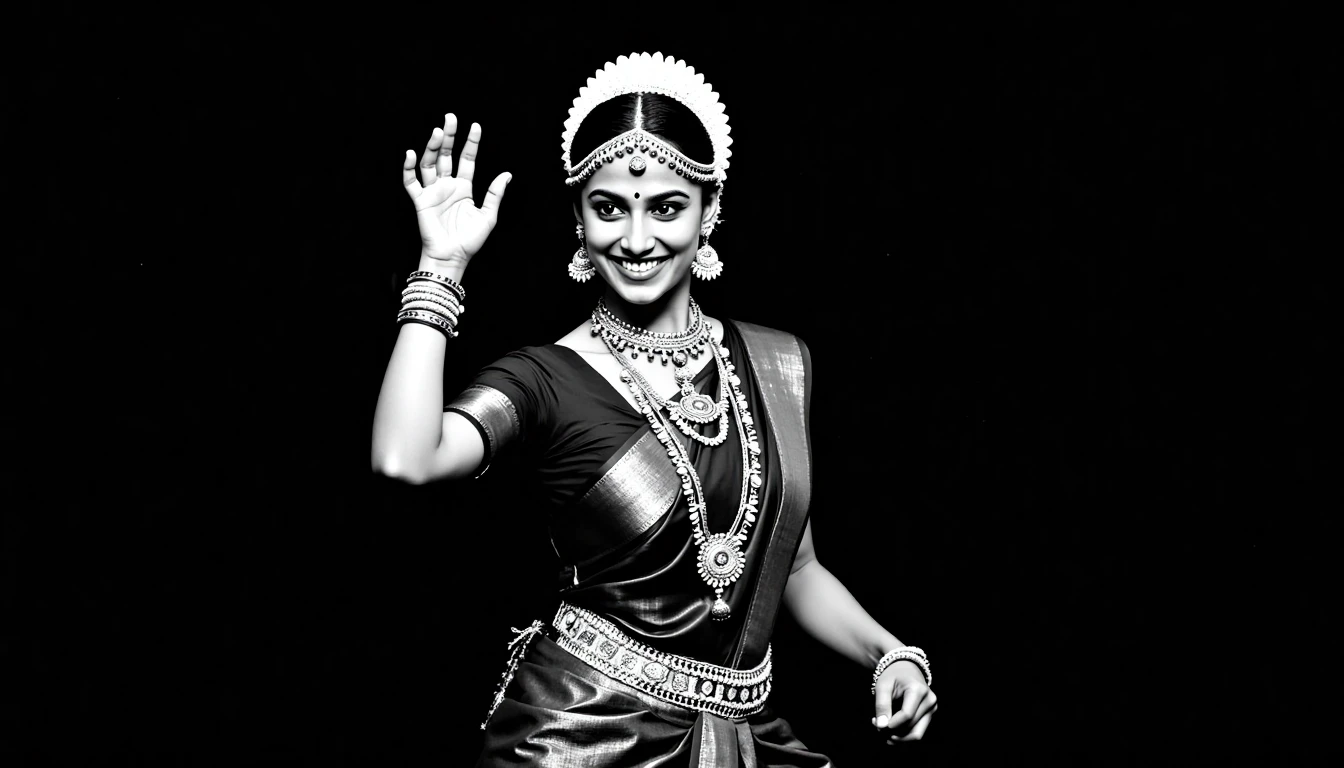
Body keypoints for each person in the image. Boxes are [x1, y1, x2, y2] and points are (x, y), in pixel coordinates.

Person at [371, 52, 937, 766]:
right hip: (580, 733)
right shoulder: (546, 377)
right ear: (578, 217)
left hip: (744, 738)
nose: (636, 240)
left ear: (711, 210)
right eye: (609, 208)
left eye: (665, 207)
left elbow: (794, 569)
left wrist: (891, 656)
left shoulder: (778, 363)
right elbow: (405, 458)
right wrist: (440, 270)